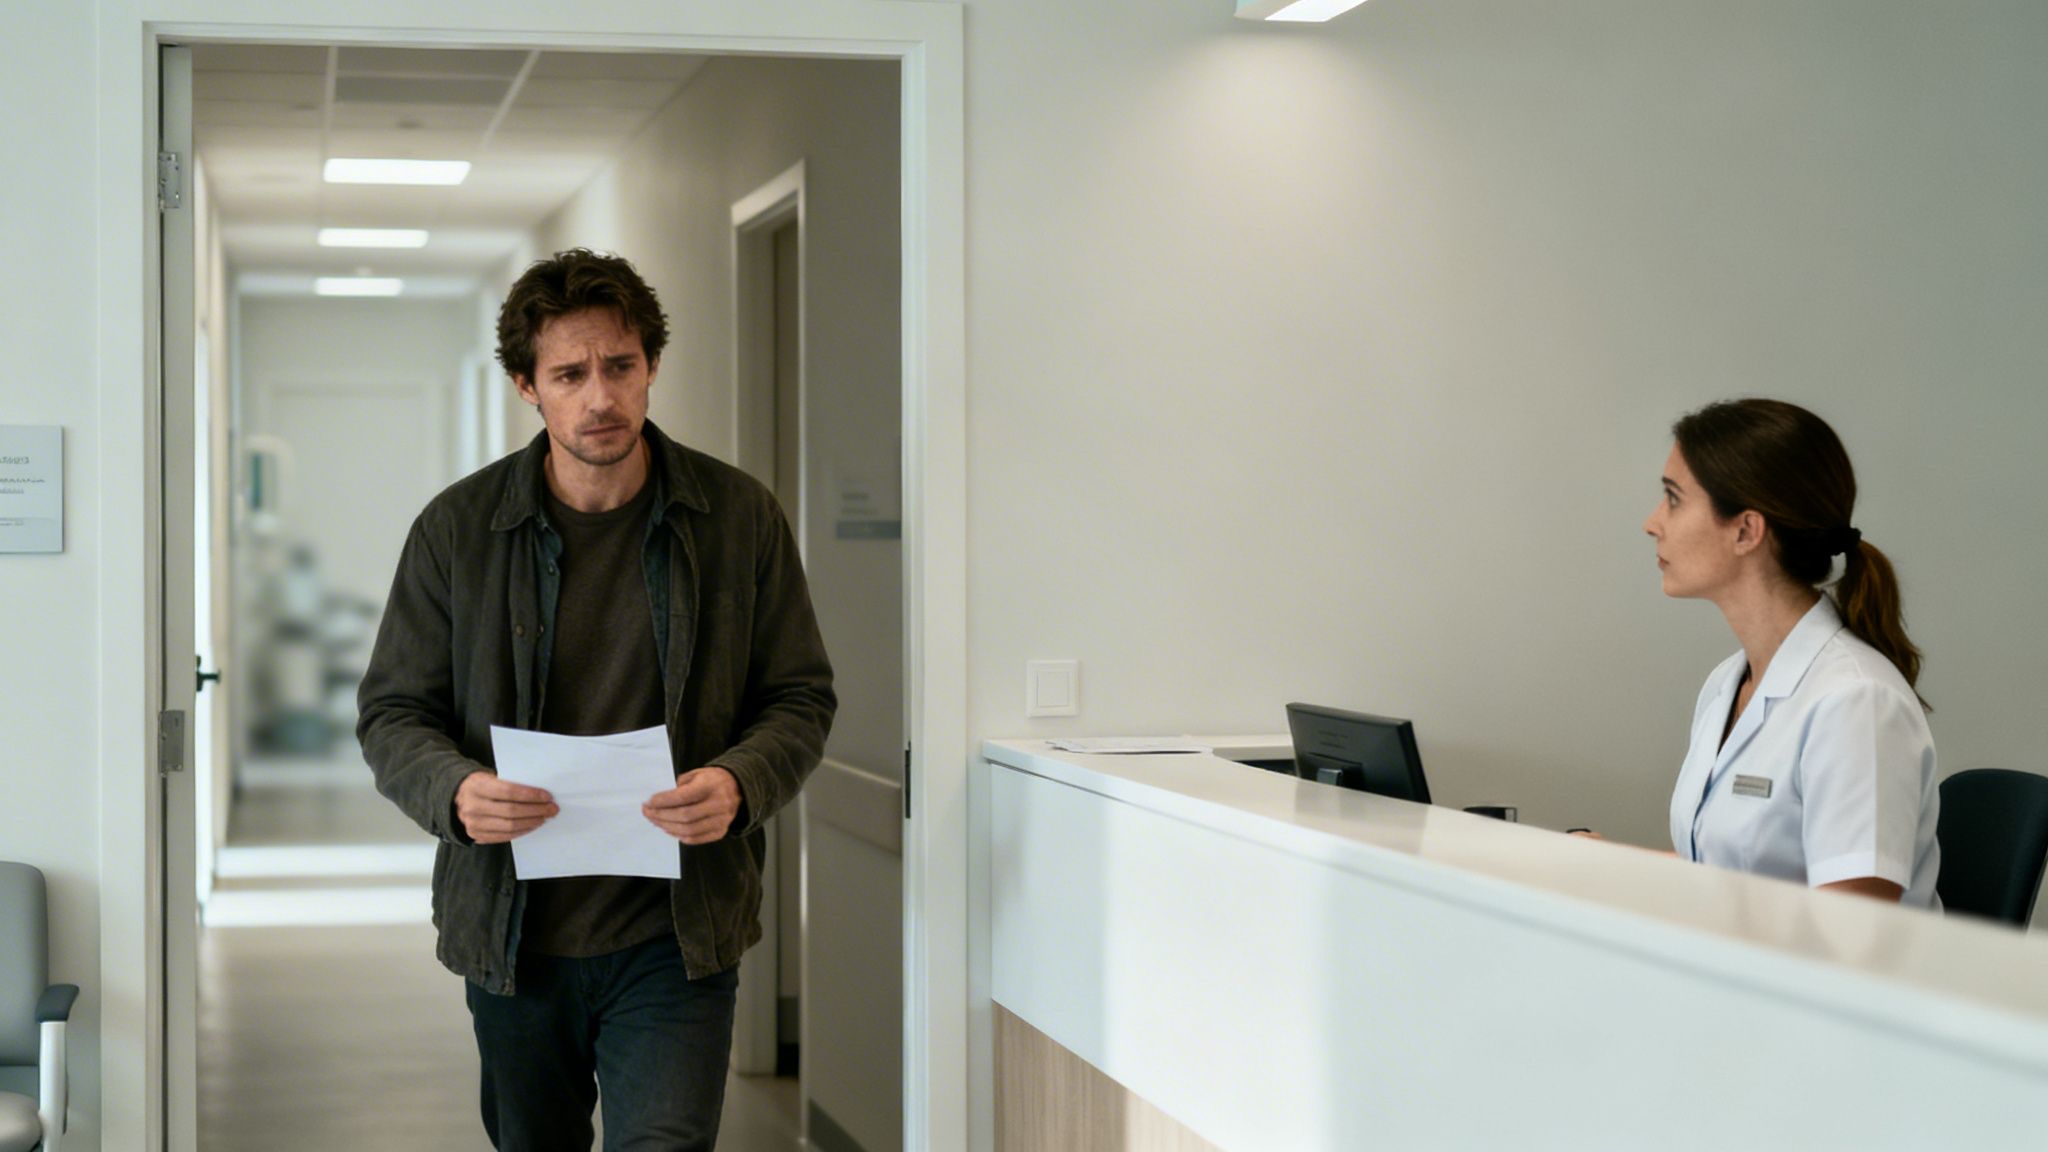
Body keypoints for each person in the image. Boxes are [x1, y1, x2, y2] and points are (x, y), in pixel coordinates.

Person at [356, 248, 836, 1149]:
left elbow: (800, 697)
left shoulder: (738, 519)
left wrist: (740, 782)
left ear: (651, 364)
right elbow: (392, 712)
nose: (600, 398)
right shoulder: (457, 531)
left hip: (679, 935)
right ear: (527, 387)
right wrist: (456, 791)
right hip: (515, 937)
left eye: (619, 367)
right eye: (569, 374)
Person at [1642, 397, 1939, 906]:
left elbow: (1853, 932)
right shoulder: (1726, 684)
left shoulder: (1856, 703)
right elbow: (1724, 874)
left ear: (1746, 530)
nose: (1653, 522)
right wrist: (1605, 865)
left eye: (1672, 498)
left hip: (1831, 985)